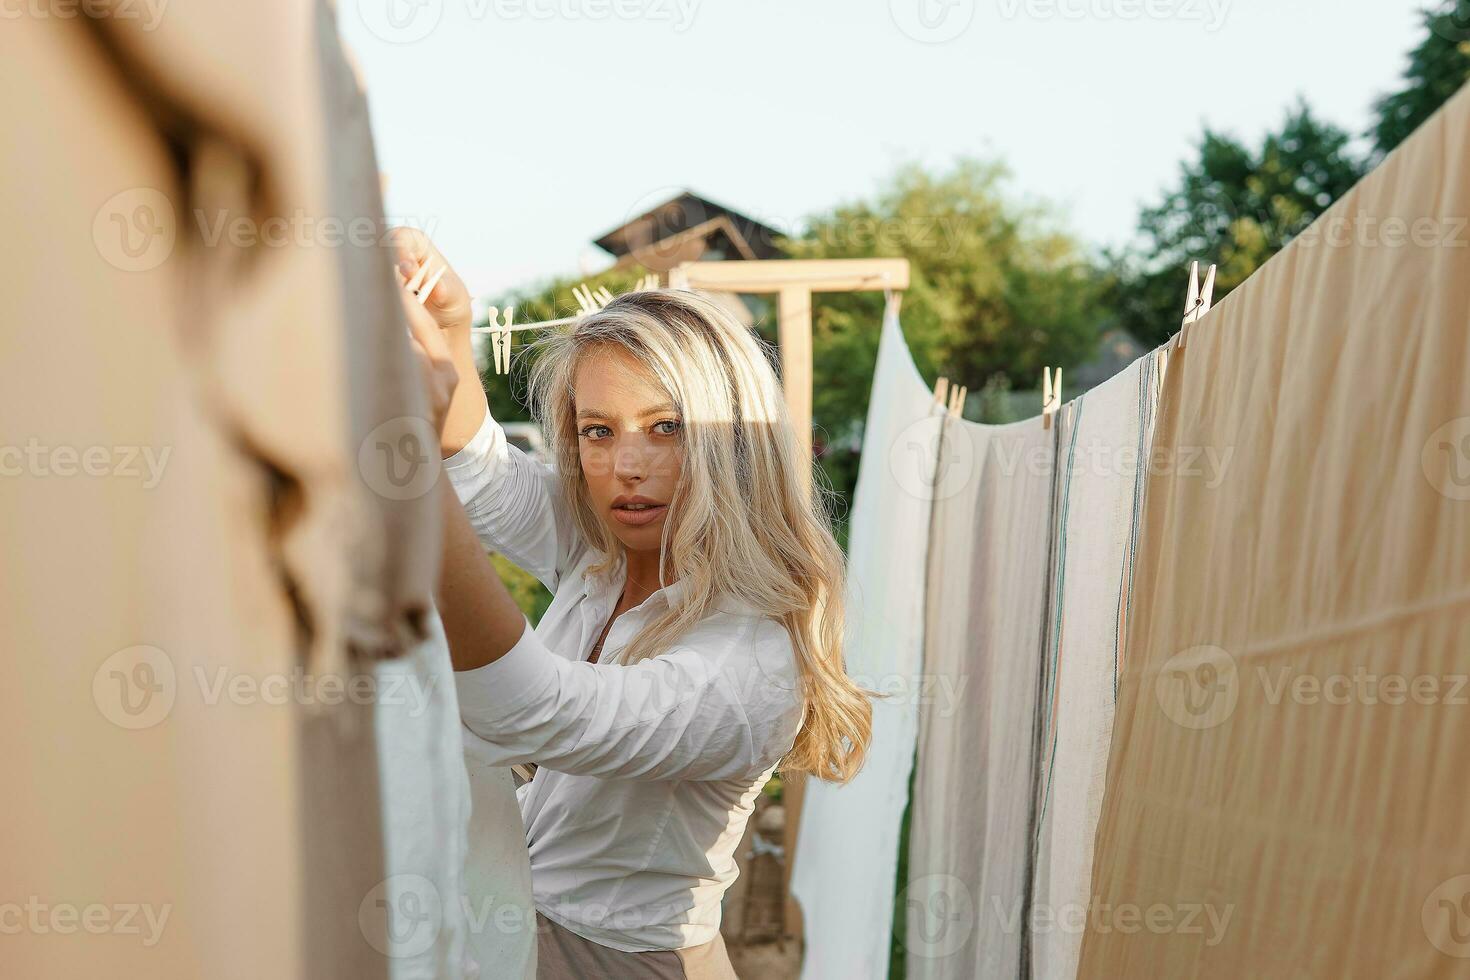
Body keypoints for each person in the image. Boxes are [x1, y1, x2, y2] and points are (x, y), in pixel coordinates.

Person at [393, 229, 872, 978]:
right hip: (526, 926)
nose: (627, 467)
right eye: (597, 431)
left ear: (735, 440)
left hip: (624, 963)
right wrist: (453, 325)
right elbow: (484, 479)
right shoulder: (609, 553)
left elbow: (532, 710)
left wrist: (408, 454)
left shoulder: (751, 659)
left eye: (666, 428)